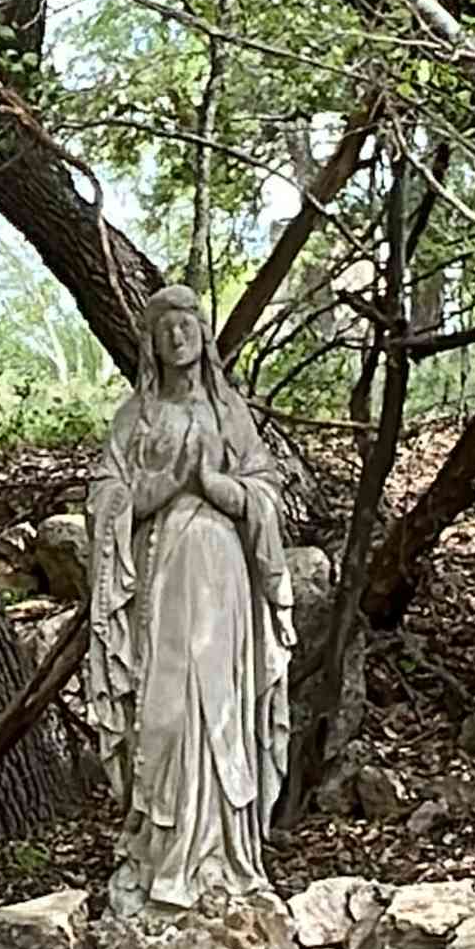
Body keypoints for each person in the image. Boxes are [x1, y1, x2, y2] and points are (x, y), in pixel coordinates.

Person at [84, 284, 293, 916]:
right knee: (166, 708)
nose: (178, 336)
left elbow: (266, 493)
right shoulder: (137, 417)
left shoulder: (230, 414)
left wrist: (217, 486)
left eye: (187, 324)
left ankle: (224, 858)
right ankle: (161, 855)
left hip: (223, 578)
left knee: (220, 704)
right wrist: (169, 483)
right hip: (162, 575)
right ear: (151, 343)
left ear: (203, 334)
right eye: (165, 328)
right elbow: (106, 498)